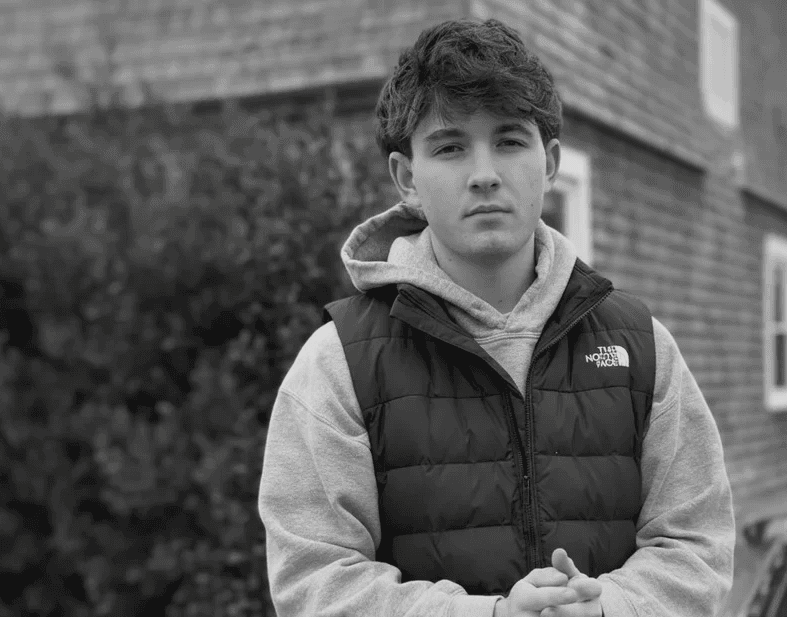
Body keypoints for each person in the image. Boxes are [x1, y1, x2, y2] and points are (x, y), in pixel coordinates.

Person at [258, 17, 735, 617]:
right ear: (407, 178)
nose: (484, 173)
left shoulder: (642, 347)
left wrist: (608, 608)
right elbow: (315, 581)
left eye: (509, 140)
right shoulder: (338, 363)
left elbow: (698, 547)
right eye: (451, 146)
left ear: (551, 162)